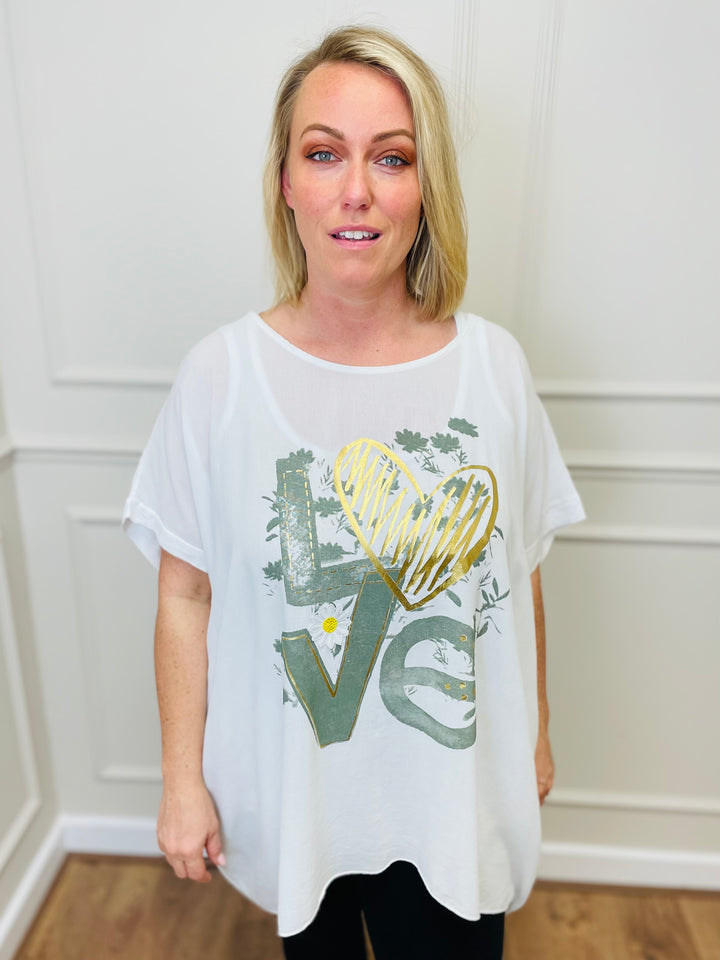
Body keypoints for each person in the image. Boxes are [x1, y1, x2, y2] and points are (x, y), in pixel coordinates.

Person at [122, 24, 585, 960]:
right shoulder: (219, 378)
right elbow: (185, 594)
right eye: (324, 153)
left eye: (393, 157)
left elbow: (519, 570)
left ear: (427, 187)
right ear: (286, 182)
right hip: (301, 805)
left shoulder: (493, 368)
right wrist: (181, 780)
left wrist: (534, 730)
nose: (357, 191)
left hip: (454, 803)